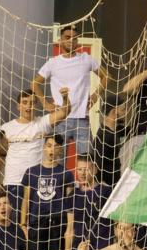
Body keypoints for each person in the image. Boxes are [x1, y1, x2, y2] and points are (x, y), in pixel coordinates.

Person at [32, 25, 106, 156]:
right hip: (60, 118)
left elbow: (106, 77)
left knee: (87, 160)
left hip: (82, 118)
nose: (71, 40)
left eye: (75, 38)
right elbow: (35, 84)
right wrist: (45, 104)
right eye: (67, 37)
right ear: (60, 40)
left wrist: (94, 96)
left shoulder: (86, 58)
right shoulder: (53, 62)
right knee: (57, 160)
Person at [1, 89, 72, 208]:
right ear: (18, 106)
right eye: (25, 102)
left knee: (34, 223)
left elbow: (64, 112)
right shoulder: (6, 128)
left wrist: (65, 97)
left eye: (32, 102)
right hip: (13, 181)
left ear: (36, 105)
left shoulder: (42, 123)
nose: (29, 106)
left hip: (36, 183)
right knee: (14, 222)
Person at [22, 135, 77, 250]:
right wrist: (23, 223)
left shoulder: (66, 173)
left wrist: (69, 226)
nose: (52, 149)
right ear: (44, 147)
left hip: (57, 223)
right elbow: (26, 199)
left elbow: (70, 202)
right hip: (37, 221)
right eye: (49, 145)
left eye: (56, 146)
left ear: (60, 150)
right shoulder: (32, 172)